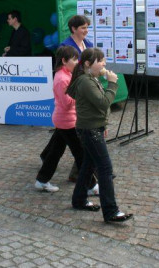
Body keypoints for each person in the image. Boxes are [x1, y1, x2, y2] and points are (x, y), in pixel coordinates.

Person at [66, 48, 132, 223]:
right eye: (100, 60)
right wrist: (112, 84)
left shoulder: (91, 79)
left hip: (93, 128)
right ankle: (110, 211)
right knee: (105, 168)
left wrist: (102, 124)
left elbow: (95, 107)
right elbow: (103, 104)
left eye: (104, 60)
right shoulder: (85, 81)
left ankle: (79, 200)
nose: (104, 64)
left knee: (88, 165)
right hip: (90, 131)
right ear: (88, 64)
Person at [34, 46, 98, 195]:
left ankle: (42, 180)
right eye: (74, 59)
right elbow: (67, 102)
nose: (77, 62)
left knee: (55, 152)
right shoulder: (62, 78)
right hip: (67, 122)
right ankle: (90, 185)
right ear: (64, 61)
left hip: (65, 120)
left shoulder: (66, 75)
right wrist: (82, 93)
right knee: (81, 153)